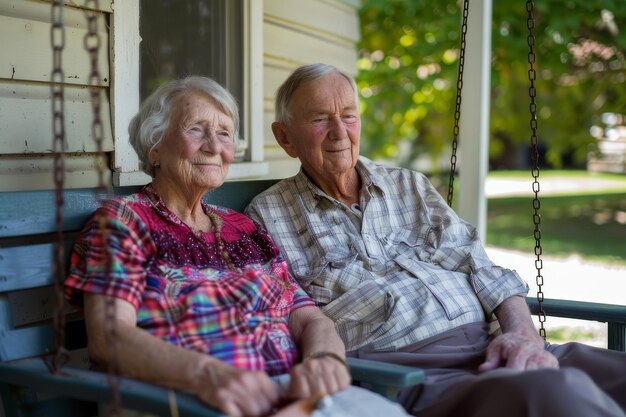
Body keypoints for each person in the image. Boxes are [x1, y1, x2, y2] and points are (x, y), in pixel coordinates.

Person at [245, 63, 626, 417]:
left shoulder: (408, 185)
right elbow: (291, 317)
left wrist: (522, 335)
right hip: (418, 374)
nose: (339, 131)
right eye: (319, 119)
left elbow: (478, 264)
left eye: (348, 116)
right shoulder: (269, 216)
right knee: (559, 393)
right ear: (285, 137)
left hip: (497, 345)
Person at [64, 76, 410, 417]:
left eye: (224, 133)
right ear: (155, 146)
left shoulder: (242, 228)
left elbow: (308, 319)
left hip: (294, 397)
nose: (214, 146)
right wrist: (211, 377)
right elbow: (109, 338)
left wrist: (324, 359)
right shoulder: (124, 221)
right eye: (196, 129)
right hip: (194, 400)